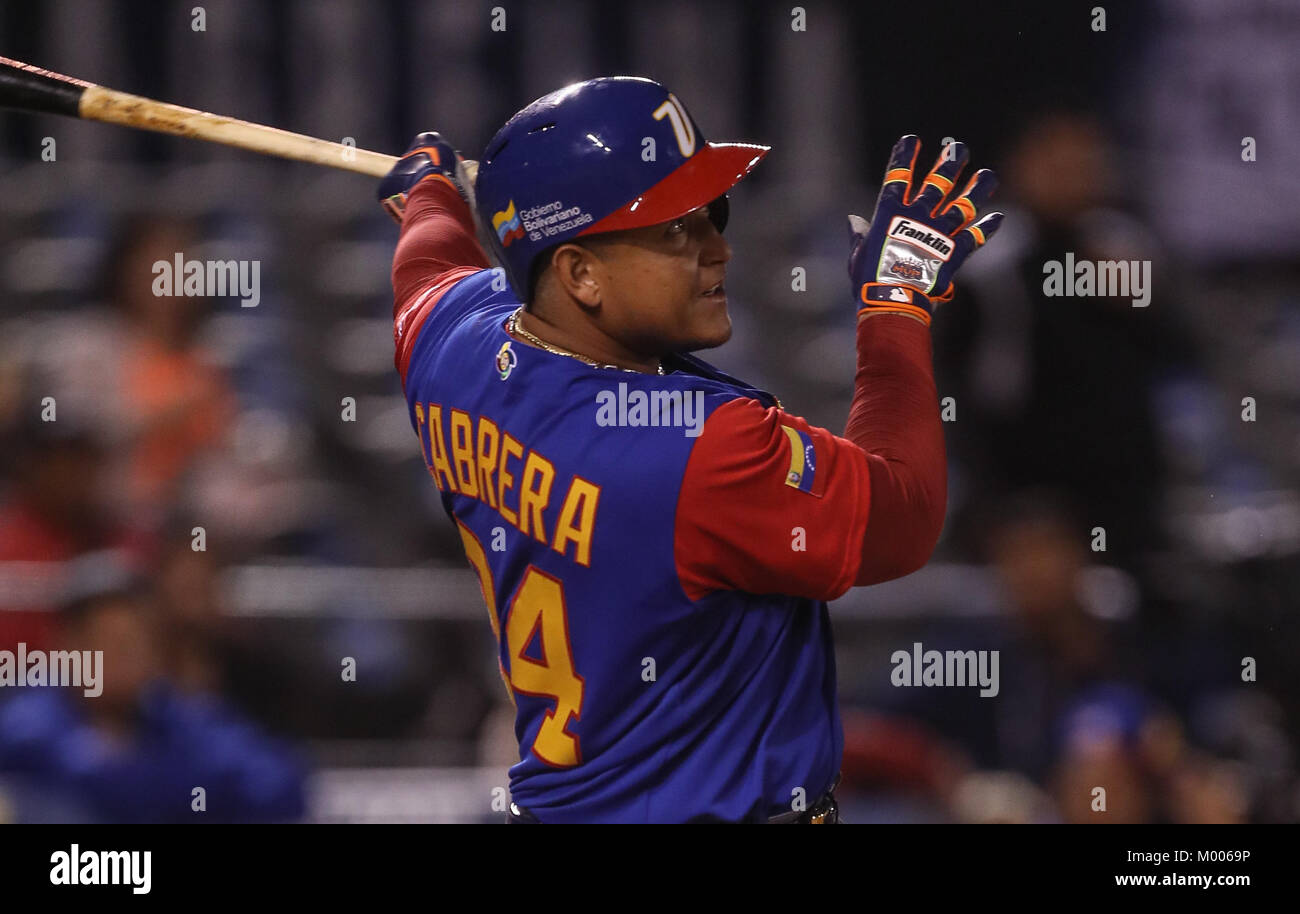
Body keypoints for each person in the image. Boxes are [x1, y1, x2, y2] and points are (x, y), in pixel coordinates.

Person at [377, 77, 1001, 823]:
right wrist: (896, 303)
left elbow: (428, 263)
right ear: (579, 274)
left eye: (713, 215)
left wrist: (428, 194)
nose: (719, 251)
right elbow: (903, 517)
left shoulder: (449, 347)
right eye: (675, 230)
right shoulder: (696, 449)